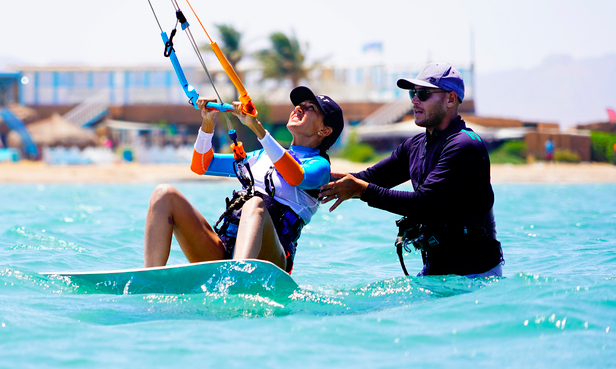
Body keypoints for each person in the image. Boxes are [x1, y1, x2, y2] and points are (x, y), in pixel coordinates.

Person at [319, 62, 503, 278]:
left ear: (451, 99)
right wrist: (312, 178)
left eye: (423, 94)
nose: (415, 100)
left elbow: (424, 204)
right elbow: (369, 178)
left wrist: (361, 190)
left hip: (476, 275)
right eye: (413, 93)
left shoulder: (464, 145)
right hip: (435, 272)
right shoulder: (415, 146)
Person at [144, 86, 344, 273]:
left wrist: (256, 128)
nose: (299, 108)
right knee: (164, 194)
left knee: (254, 204)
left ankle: (238, 277)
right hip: (226, 250)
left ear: (324, 131)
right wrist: (207, 122)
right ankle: (149, 276)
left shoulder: (320, 166)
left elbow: (295, 175)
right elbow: (201, 165)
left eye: (310, 108)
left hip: (272, 260)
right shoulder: (260, 157)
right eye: (299, 105)